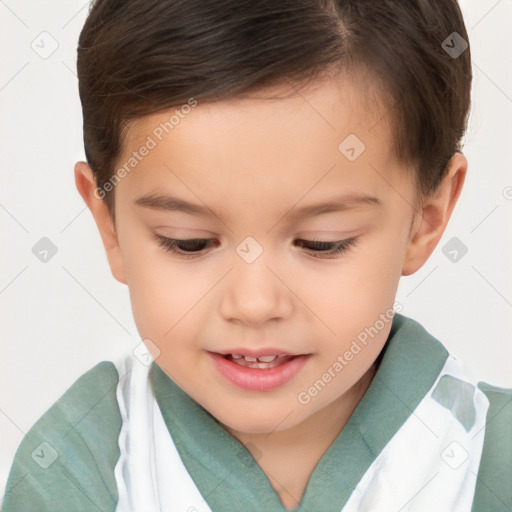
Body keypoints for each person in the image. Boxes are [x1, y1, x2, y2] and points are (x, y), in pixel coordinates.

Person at [3, 1, 511, 511]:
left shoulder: (492, 460)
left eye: (322, 242)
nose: (253, 303)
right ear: (109, 223)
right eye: (188, 242)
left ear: (426, 216)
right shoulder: (76, 474)